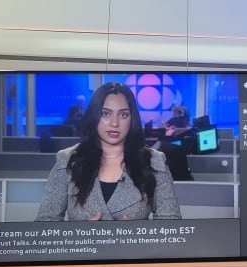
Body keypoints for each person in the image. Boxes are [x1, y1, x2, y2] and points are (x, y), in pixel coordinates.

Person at [36, 82, 181, 221]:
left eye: (123, 115)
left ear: (132, 119)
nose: (114, 123)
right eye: (105, 113)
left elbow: (171, 226)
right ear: (94, 116)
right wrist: (79, 236)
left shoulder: (154, 161)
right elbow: (45, 223)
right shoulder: (68, 160)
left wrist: (139, 235)